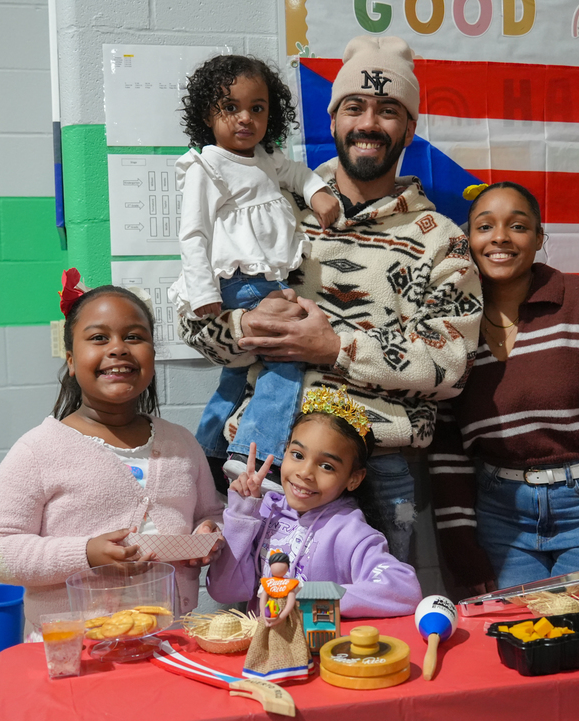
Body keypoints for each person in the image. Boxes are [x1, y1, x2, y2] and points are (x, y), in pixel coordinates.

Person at [180, 36, 482, 562]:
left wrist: (334, 347)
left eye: (389, 111)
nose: (369, 123)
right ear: (334, 120)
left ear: (409, 128)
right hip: (263, 465)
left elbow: (450, 364)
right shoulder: (270, 204)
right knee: (258, 628)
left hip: (379, 469)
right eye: (354, 107)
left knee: (374, 634)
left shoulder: (441, 239)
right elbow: (195, 324)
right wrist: (247, 324)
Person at [427, 182, 579, 594]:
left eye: (517, 226)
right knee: (519, 639)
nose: (500, 236)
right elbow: (446, 447)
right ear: (468, 241)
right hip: (501, 517)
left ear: (539, 239)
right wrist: (461, 548)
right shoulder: (451, 320)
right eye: (485, 227)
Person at [0, 270, 224, 637]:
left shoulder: (182, 444)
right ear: (72, 360)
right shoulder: (38, 450)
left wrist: (210, 531)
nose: (118, 347)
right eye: (98, 338)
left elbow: (211, 513)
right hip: (76, 650)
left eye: (134, 337)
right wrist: (86, 554)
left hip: (170, 639)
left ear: (152, 356)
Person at [169, 55, 340, 483]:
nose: (245, 118)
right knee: (287, 359)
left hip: (265, 280)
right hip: (240, 282)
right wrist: (204, 293)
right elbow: (193, 235)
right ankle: (254, 452)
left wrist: (319, 193)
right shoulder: (206, 166)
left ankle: (208, 447)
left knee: (236, 373)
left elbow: (298, 174)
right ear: (208, 114)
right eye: (231, 107)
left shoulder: (265, 157)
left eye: (257, 108)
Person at [207, 386, 423, 620]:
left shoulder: (351, 533)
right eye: (298, 455)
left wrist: (308, 594)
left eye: (327, 466)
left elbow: (406, 590)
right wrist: (242, 515)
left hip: (324, 652)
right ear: (285, 451)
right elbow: (224, 591)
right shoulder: (265, 511)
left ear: (353, 478)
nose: (305, 473)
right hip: (267, 650)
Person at [242, 551, 312, 683]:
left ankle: (292, 667)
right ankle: (265, 667)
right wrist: (264, 615)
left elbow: (290, 603)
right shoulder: (267, 583)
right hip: (270, 614)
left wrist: (282, 616)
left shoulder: (291, 583)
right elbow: (262, 600)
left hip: (288, 618)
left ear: (287, 567)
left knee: (292, 639)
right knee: (265, 640)